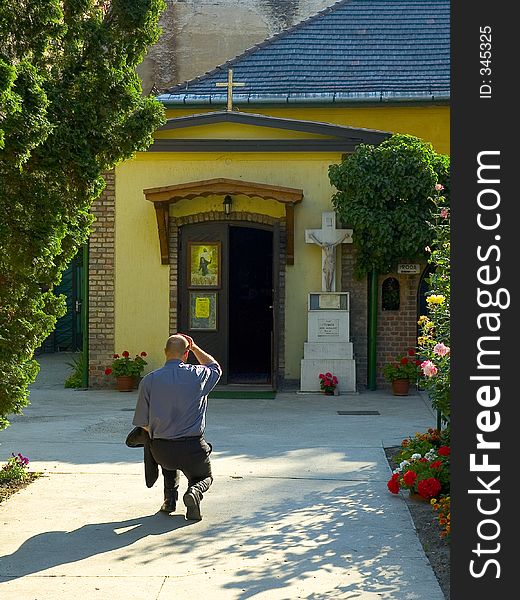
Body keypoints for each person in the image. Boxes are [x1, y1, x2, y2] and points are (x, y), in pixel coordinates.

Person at [132, 334, 222, 520]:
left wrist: (163, 430)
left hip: (162, 451)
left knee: (169, 461)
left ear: (165, 353)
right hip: (193, 449)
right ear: (186, 354)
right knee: (204, 477)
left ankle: (169, 501)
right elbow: (215, 367)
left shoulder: (149, 381)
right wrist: (195, 347)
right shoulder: (199, 375)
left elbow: (143, 424)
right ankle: (194, 492)